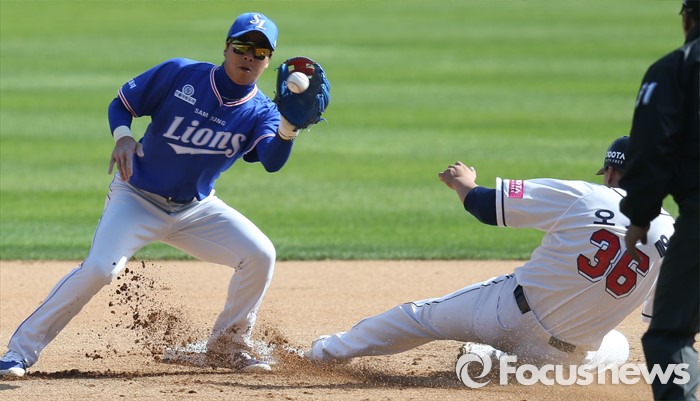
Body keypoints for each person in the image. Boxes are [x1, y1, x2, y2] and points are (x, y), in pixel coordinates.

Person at [0, 12, 316, 376]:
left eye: (259, 52)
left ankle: (227, 346)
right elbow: (122, 104)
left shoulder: (262, 111)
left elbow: (271, 161)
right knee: (100, 269)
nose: (249, 56)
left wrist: (289, 129)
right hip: (136, 198)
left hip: (195, 210)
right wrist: (123, 136)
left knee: (260, 255)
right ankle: (19, 352)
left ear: (268, 61)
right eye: (242, 46)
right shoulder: (181, 74)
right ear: (226, 48)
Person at [307, 137, 675, 377]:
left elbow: (485, 206)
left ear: (611, 172)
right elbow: (662, 322)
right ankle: (499, 365)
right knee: (617, 347)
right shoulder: (674, 236)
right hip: (562, 357)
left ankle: (326, 352)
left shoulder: (589, 196)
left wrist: (462, 181)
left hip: (505, 315)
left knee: (422, 317)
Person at [619, 0, 699, 399]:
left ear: (688, 18)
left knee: (670, 335)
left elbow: (652, 149)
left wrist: (640, 214)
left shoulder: (675, 68)